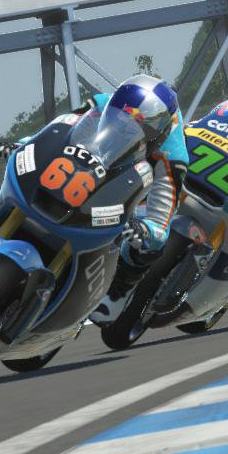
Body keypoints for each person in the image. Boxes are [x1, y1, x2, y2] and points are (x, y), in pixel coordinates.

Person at [80, 75, 189, 322]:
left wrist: (147, 230)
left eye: (138, 128)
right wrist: (23, 145)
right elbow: (62, 129)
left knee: (148, 244)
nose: (124, 129)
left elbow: (161, 221)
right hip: (90, 170)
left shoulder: (173, 155)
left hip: (137, 190)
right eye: (120, 120)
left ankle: (123, 285)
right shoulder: (103, 103)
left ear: (158, 132)